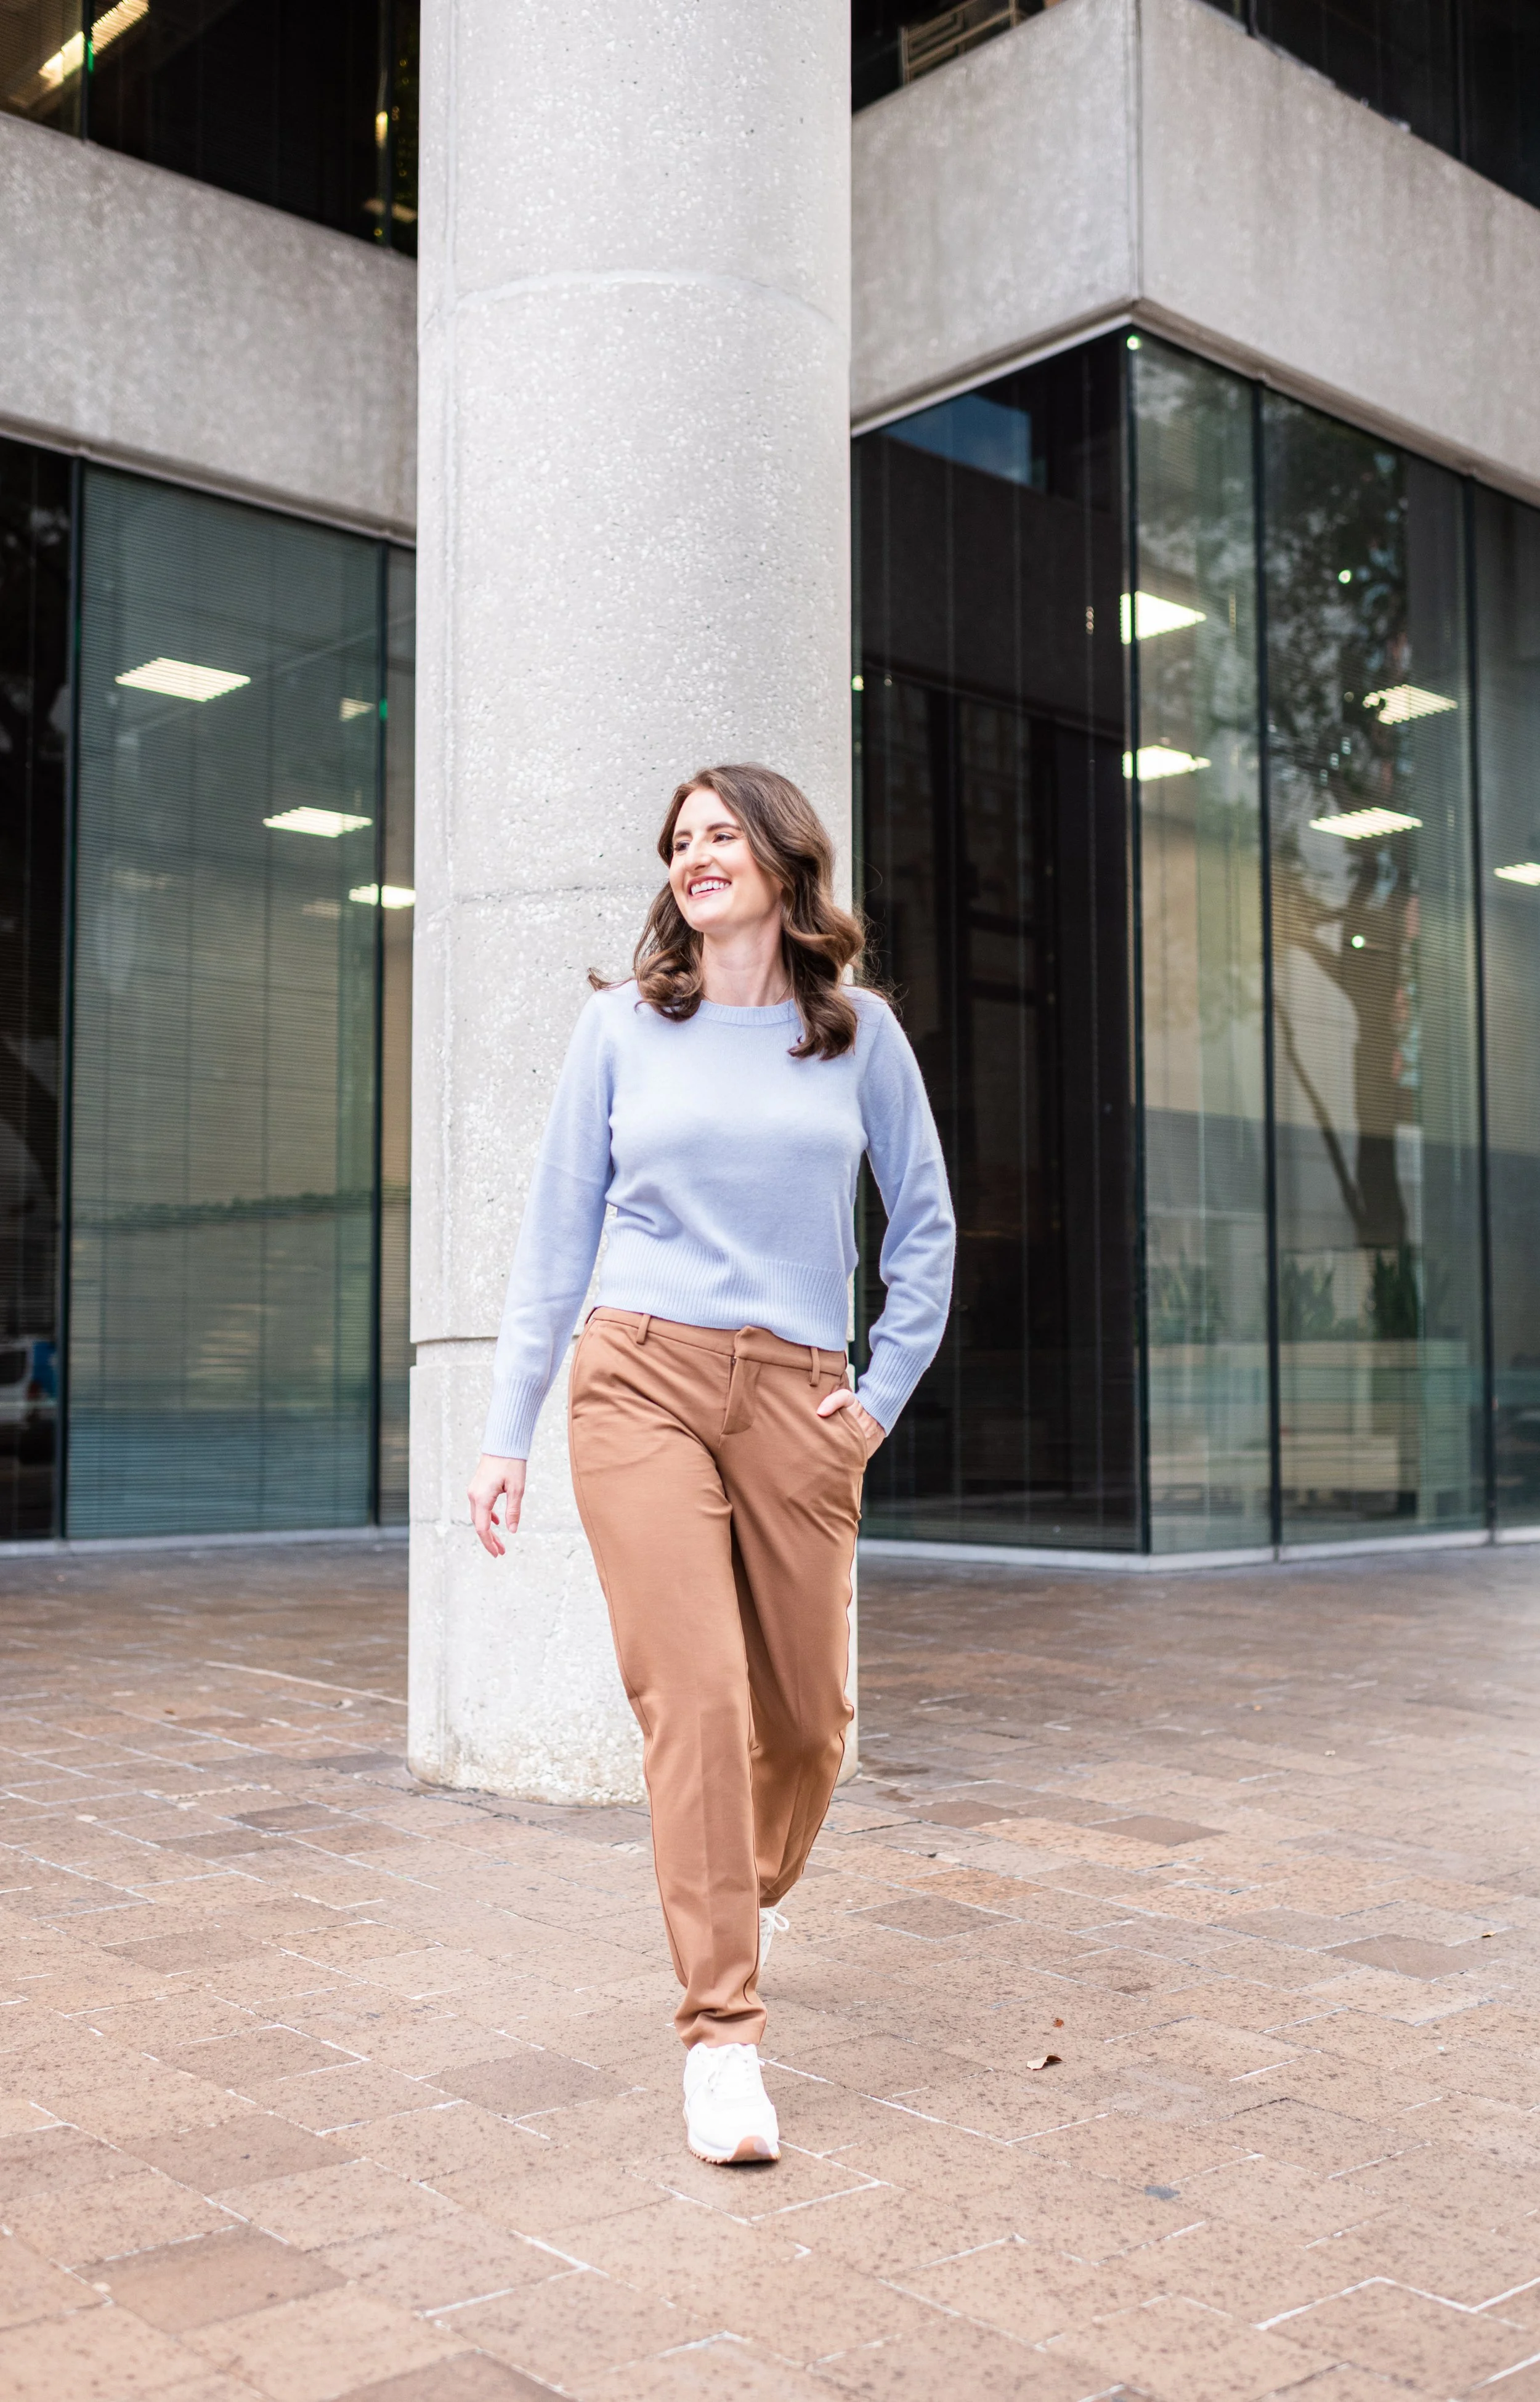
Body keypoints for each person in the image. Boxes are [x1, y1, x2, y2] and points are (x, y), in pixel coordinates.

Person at [467, 764, 955, 2165]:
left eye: (718, 833)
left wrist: (872, 1402)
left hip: (801, 1395)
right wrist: (504, 1431)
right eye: (677, 841)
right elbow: (554, 1236)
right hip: (639, 1376)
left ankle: (722, 1891)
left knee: (804, 1729)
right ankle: (722, 2037)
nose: (694, 856)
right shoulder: (619, 1029)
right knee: (694, 1695)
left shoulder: (857, 1037)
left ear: (783, 858)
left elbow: (921, 1231)